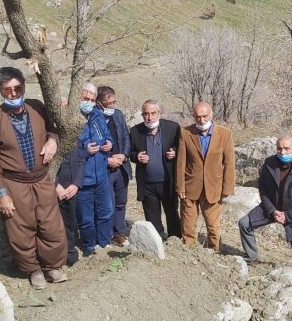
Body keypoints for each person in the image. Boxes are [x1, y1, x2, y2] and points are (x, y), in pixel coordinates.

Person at [0, 67, 67, 290]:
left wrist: (52, 140)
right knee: (21, 229)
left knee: (51, 224)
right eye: (7, 89)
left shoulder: (37, 107)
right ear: (1, 91)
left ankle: (52, 266)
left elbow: (53, 129)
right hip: (14, 183)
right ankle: (33, 270)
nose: (13, 93)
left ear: (23, 87)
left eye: (17, 88)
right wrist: (1, 195)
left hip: (41, 179)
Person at [238, 136, 292, 275]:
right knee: (244, 223)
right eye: (279, 148)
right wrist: (272, 210)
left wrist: (288, 215)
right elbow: (263, 189)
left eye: (286, 149)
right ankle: (251, 257)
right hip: (273, 207)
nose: (282, 152)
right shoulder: (270, 163)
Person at [175, 101, 236, 253]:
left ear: (211, 115)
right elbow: (180, 162)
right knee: (188, 224)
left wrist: (228, 188)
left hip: (214, 188)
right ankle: (189, 252)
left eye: (204, 116)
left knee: (213, 226)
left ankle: (215, 252)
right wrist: (180, 186)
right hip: (190, 186)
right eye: (197, 117)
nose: (201, 120)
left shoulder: (225, 134)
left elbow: (229, 163)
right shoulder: (186, 133)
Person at [129, 99, 181, 239]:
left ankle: (175, 241)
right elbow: (130, 152)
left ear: (159, 113)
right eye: (146, 114)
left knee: (172, 213)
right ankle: (156, 241)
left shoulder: (173, 128)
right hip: (147, 184)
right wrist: (136, 156)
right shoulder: (135, 131)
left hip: (167, 182)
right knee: (152, 216)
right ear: (142, 114)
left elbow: (182, 147)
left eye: (153, 113)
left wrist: (175, 152)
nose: (150, 117)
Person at [76, 82, 114, 255]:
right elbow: (65, 148)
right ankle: (90, 247)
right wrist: (84, 151)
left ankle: (104, 243)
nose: (88, 102)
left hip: (101, 174)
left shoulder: (97, 114)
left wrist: (109, 142)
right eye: (85, 98)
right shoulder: (72, 118)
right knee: (86, 218)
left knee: (106, 211)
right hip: (83, 177)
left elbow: (107, 134)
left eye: (91, 99)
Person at [96, 86, 132, 246]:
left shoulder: (117, 115)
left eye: (113, 102)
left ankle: (119, 232)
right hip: (105, 169)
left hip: (121, 167)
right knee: (107, 204)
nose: (112, 106)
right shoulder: (92, 119)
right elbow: (90, 147)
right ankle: (106, 235)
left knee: (120, 202)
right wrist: (108, 159)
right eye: (108, 103)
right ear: (99, 103)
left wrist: (123, 155)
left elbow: (125, 136)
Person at [55, 144, 85, 266]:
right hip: (53, 189)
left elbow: (81, 160)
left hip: (70, 189)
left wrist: (76, 184)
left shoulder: (74, 139)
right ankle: (56, 258)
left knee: (70, 224)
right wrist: (55, 185)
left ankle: (70, 254)